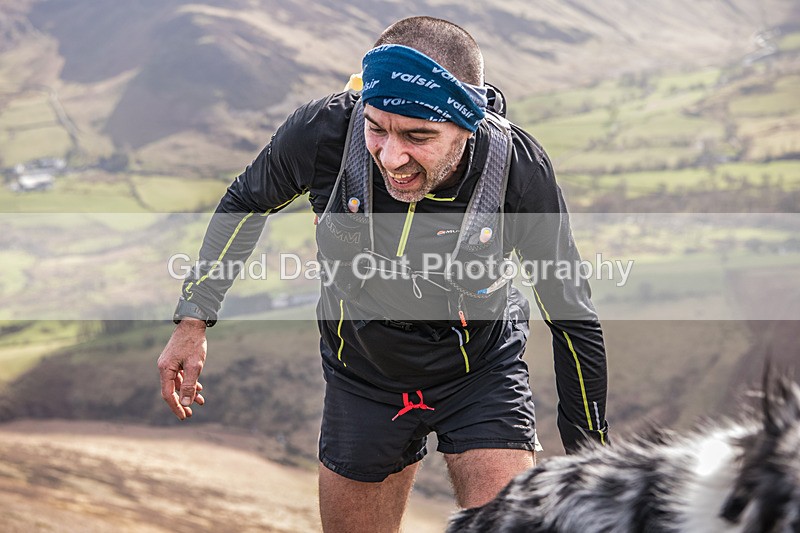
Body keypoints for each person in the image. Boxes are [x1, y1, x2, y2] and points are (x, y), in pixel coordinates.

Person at [158, 16, 609, 532]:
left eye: (419, 135)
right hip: (363, 376)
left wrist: (591, 459)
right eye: (377, 128)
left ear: (469, 123)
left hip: (480, 372)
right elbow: (246, 202)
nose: (393, 157)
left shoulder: (517, 170)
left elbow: (571, 314)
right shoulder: (324, 131)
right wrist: (192, 320)